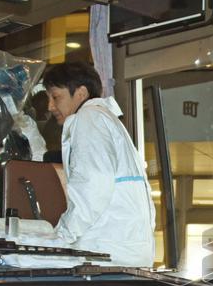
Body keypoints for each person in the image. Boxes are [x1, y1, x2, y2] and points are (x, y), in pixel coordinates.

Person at [43, 62, 155, 266]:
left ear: (81, 93)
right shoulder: (106, 119)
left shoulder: (89, 118)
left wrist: (60, 238)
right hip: (123, 252)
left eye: (55, 97)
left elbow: (92, 187)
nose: (50, 106)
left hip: (106, 254)